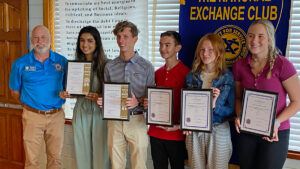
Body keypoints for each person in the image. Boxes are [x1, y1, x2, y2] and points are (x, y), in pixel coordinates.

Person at [233, 19, 300, 169]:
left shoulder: (283, 65)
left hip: (276, 132)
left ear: (269, 39)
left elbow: (297, 101)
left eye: (260, 36)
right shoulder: (239, 65)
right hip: (248, 130)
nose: (254, 40)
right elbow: (238, 98)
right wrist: (239, 115)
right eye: (250, 35)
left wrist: (276, 123)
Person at [97, 21, 155, 169]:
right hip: (114, 122)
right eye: (119, 36)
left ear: (135, 38)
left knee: (139, 165)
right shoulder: (110, 66)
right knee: (116, 165)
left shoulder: (146, 67)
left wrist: (139, 103)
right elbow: (107, 93)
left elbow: (152, 100)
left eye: (126, 36)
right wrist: (103, 102)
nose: (121, 40)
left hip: (137, 120)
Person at [9, 25, 67, 169]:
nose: (39, 40)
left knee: (55, 159)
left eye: (43, 37)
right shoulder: (20, 63)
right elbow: (14, 92)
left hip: (56, 116)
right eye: (36, 37)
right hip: (32, 116)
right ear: (31, 40)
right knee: (31, 161)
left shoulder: (62, 62)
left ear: (50, 39)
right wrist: (30, 105)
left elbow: (68, 87)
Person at [59, 26, 110, 169]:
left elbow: (114, 94)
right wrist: (66, 93)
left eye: (89, 40)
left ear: (97, 43)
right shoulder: (75, 65)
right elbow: (74, 90)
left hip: (100, 113)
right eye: (82, 40)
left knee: (101, 153)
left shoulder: (107, 65)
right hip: (81, 110)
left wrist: (100, 96)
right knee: (82, 153)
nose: (85, 44)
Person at [184, 33, 235, 169]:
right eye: (202, 49)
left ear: (219, 53)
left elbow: (231, 109)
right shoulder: (191, 76)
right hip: (194, 130)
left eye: (210, 49)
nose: (205, 53)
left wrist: (214, 106)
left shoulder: (227, 77)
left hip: (218, 129)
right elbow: (186, 105)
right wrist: (185, 123)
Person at [145, 31, 190, 169]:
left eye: (167, 45)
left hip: (176, 134)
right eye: (160, 45)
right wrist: (147, 103)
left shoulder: (187, 74)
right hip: (155, 132)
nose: (162, 48)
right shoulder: (156, 73)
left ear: (178, 48)